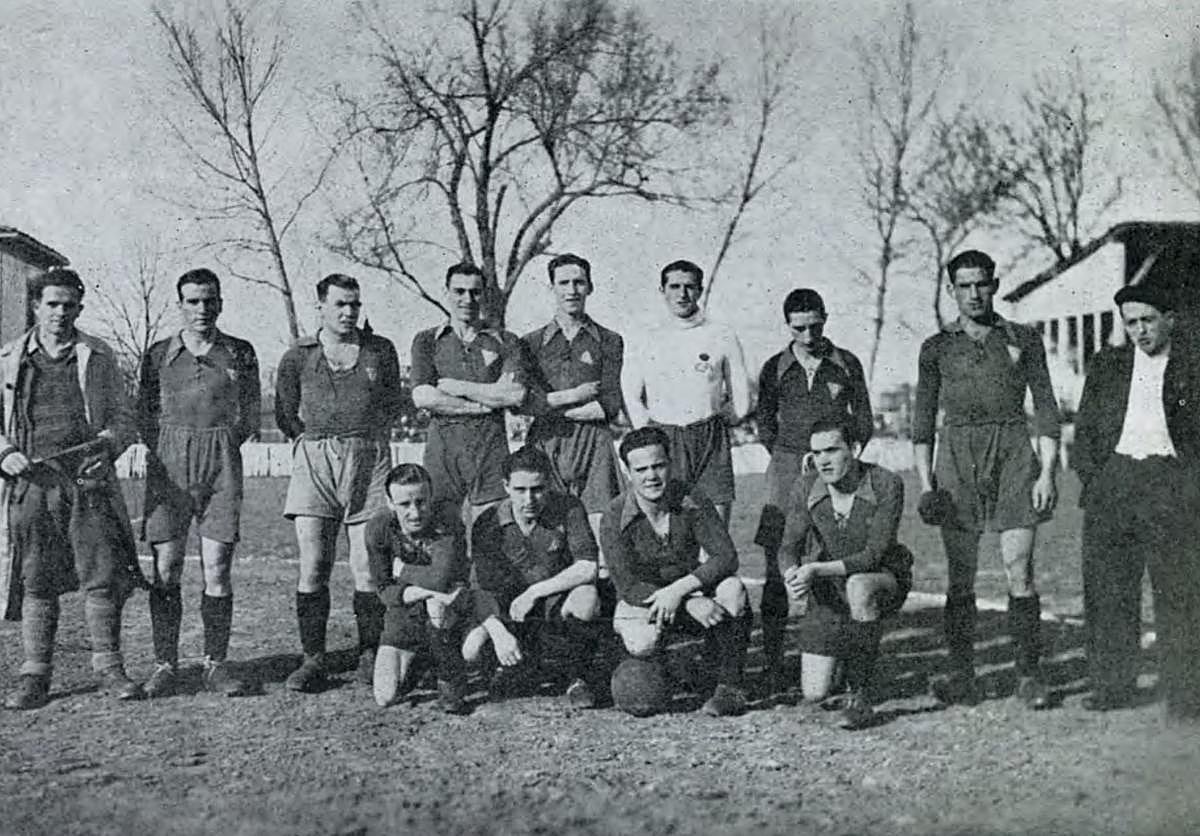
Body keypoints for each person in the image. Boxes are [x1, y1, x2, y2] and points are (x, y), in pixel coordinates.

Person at [913, 250, 1061, 709]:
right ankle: (962, 675)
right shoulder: (936, 347)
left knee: (1020, 567)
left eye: (981, 284)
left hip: (1013, 452)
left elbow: (1047, 410)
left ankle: (1029, 676)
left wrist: (1047, 473)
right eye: (964, 285)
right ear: (951, 290)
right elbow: (922, 423)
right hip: (957, 459)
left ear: (994, 285)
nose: (974, 293)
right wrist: (927, 486)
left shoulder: (1022, 339)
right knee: (961, 575)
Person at [0, 269, 144, 709]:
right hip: (32, 483)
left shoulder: (97, 355)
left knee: (101, 574)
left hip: (86, 481)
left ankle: (109, 668)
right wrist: (5, 453)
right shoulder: (8, 358)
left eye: (69, 305)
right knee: (36, 577)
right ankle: (34, 675)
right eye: (52, 304)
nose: (60, 313)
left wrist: (109, 447)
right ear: (35, 306)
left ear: (79, 308)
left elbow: (124, 418)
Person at [1073, 284, 1200, 720]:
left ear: (1170, 319)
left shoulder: (1192, 365)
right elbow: (1086, 429)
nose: (1140, 331)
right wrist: (1096, 480)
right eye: (1131, 323)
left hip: (1172, 485)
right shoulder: (1108, 365)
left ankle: (1186, 694)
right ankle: (1113, 686)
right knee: (1109, 590)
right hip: (1116, 483)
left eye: (1148, 320)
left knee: (1180, 590)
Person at [275, 274, 404, 692]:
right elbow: (285, 412)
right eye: (340, 305)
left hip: (368, 458)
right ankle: (313, 659)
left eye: (354, 304)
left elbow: (392, 404)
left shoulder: (379, 350)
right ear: (321, 307)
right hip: (315, 459)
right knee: (314, 563)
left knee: (366, 565)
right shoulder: (298, 356)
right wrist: (312, 442)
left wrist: (363, 438)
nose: (349, 312)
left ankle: (369, 652)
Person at [138, 268, 260, 698]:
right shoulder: (158, 354)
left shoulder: (240, 352)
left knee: (218, 567)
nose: (202, 309)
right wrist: (170, 447)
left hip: (221, 463)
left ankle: (215, 663)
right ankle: (165, 664)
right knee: (166, 567)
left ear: (220, 303)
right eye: (193, 301)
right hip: (169, 465)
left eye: (209, 300)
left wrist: (220, 443)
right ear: (180, 305)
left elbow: (250, 412)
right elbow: (143, 413)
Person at [754, 288, 874, 692]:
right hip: (788, 468)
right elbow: (764, 422)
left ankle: (839, 661)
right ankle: (773, 663)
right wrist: (788, 456)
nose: (808, 336)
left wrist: (842, 458)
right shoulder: (774, 367)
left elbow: (865, 420)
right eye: (799, 328)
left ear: (825, 319)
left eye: (814, 327)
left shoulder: (846, 363)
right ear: (787, 325)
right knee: (777, 562)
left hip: (835, 469)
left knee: (834, 558)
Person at [599, 426, 751, 717]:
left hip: (686, 591)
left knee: (733, 591)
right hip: (643, 601)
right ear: (628, 472)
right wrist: (686, 601)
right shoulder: (614, 515)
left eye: (658, 466)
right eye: (641, 469)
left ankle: (728, 685)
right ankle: (663, 667)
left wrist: (682, 592)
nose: (651, 476)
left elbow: (726, 556)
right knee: (641, 641)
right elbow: (628, 586)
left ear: (670, 463)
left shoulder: (691, 498)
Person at [776, 419, 912, 729]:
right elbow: (788, 547)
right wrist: (790, 575)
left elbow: (873, 555)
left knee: (859, 587)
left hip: (880, 578)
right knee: (815, 692)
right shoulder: (806, 486)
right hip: (830, 586)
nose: (822, 460)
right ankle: (848, 655)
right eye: (816, 453)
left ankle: (860, 695)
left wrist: (815, 569)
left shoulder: (886, 482)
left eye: (832, 451)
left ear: (854, 448)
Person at [468, 446, 603, 707]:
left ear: (549, 484)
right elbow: (480, 588)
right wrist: (499, 633)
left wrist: (535, 592)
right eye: (520, 490)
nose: (529, 499)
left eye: (537, 489)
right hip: (510, 610)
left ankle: (578, 676)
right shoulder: (488, 522)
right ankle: (514, 666)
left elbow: (588, 566)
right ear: (506, 486)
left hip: (553, 602)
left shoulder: (568, 508)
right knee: (472, 648)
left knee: (587, 597)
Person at [620, 260, 751, 524]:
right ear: (662, 290)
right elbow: (630, 393)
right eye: (675, 287)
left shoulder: (721, 334)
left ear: (700, 290)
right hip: (665, 438)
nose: (682, 294)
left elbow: (741, 394)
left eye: (690, 287)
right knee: (670, 522)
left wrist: (724, 418)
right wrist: (648, 432)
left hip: (709, 437)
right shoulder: (646, 337)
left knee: (716, 524)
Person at [521, 253, 624, 554]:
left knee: (600, 524)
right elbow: (525, 403)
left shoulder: (609, 340)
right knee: (549, 525)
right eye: (563, 283)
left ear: (590, 287)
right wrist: (576, 396)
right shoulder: (531, 343)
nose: (572, 290)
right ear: (551, 287)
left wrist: (551, 406)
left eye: (579, 282)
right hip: (546, 440)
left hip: (594, 440)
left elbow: (609, 404)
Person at [410, 263, 528, 522]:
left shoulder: (506, 340)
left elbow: (514, 395)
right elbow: (423, 396)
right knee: (443, 532)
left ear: (484, 294)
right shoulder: (427, 340)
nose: (467, 299)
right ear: (446, 292)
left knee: (493, 531)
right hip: (443, 452)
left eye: (475, 292)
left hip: (490, 450)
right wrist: (483, 403)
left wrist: (457, 387)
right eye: (459, 291)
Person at [365, 464, 472, 715]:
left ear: (430, 497)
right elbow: (383, 589)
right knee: (385, 696)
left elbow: (440, 578)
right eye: (404, 504)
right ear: (390, 503)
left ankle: (449, 675)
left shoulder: (447, 521)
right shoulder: (379, 528)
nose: (414, 513)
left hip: (449, 609)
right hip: (405, 610)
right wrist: (423, 592)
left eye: (421, 502)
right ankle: (422, 660)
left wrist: (402, 571)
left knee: (438, 605)